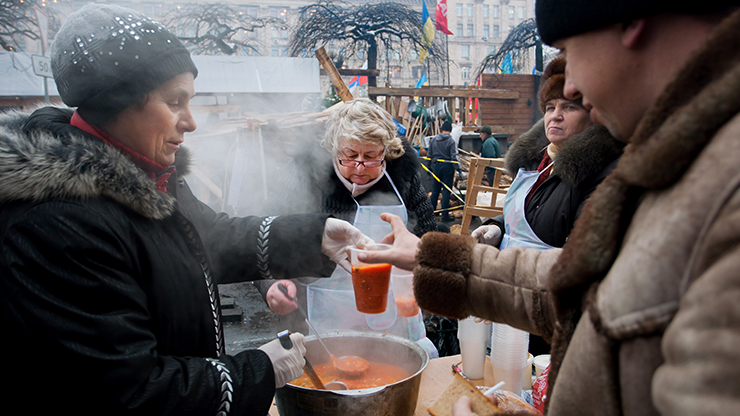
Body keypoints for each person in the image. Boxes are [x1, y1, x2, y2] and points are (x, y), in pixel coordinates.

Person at [362, 1, 740, 415]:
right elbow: (579, 287)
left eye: (570, 52)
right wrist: (432, 260)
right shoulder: (682, 161)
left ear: (631, 22)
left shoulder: (724, 186)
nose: (571, 86)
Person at [0, 5, 371, 416]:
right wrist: (257, 370)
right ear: (118, 102)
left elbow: (210, 237)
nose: (191, 122)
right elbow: (130, 393)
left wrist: (316, 235)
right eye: (175, 101)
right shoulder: (56, 223)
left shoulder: (146, 172)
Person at [255, 98, 439, 357]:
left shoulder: (403, 175)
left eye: (372, 156)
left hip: (395, 320)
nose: (360, 167)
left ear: (386, 150)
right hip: (324, 323)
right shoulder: (304, 176)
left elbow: (430, 237)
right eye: (350, 155)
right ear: (334, 149)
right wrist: (271, 285)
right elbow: (263, 237)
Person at [471, 56, 623, 357]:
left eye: (569, 107)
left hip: (549, 316)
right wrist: (497, 228)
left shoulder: (602, 172)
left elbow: (579, 259)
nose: (555, 116)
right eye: (550, 107)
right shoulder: (542, 160)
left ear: (592, 114)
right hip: (509, 301)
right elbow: (532, 213)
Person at [428, 120, 462, 222]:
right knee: (446, 191)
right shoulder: (451, 141)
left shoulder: (434, 140)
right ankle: (445, 215)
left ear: (442, 129)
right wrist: (458, 169)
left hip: (437, 167)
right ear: (450, 130)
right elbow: (454, 157)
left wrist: (429, 167)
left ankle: (431, 214)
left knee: (435, 191)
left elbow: (429, 154)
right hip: (448, 168)